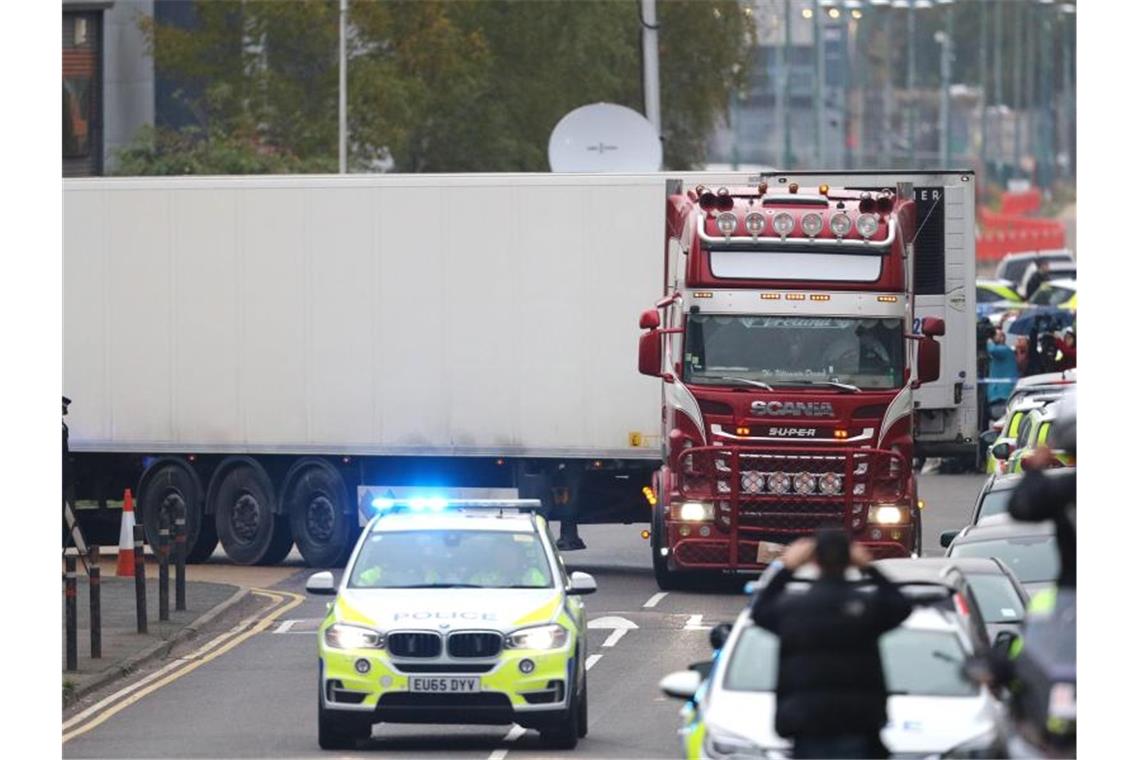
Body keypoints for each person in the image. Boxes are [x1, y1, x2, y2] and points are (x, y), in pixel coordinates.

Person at [750, 529, 913, 759]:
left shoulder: (794, 608)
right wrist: (869, 568)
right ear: (850, 559)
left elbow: (759, 611)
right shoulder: (865, 607)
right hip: (857, 725)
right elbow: (901, 606)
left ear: (814, 560)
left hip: (808, 725)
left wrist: (786, 568)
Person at [985, 329, 1019, 422]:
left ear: (1002, 338)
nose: (993, 337)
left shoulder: (1004, 350)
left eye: (995, 335)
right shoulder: (1003, 353)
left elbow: (992, 349)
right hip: (1001, 395)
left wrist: (988, 339)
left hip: (1002, 396)